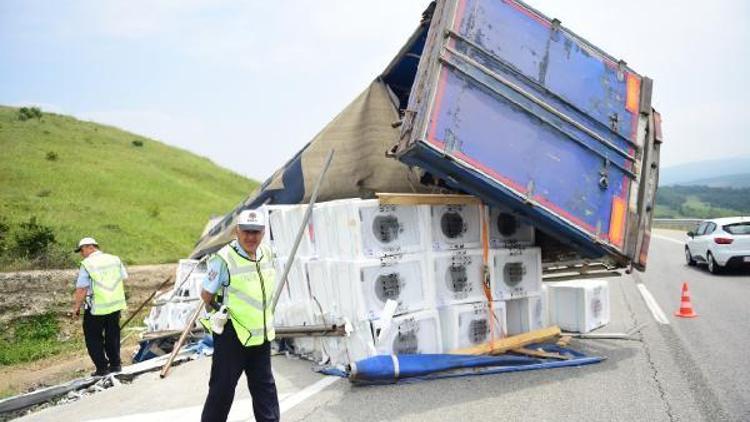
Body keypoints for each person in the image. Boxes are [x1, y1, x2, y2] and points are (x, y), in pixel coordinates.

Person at [200, 209, 279, 422]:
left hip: (260, 336)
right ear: (237, 231)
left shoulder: (268, 253)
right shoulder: (223, 259)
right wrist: (220, 311)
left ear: (263, 232)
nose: (251, 237)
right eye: (246, 231)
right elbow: (206, 294)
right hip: (232, 336)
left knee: (265, 390)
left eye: (256, 232)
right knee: (222, 391)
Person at [70, 237, 128, 376]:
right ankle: (115, 365)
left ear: (90, 247)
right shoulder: (114, 259)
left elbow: (82, 289)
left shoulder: (87, 264)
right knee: (112, 335)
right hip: (114, 305)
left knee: (93, 338)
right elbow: (123, 277)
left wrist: (76, 307)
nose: (81, 254)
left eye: (82, 250)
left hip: (96, 308)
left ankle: (102, 368)